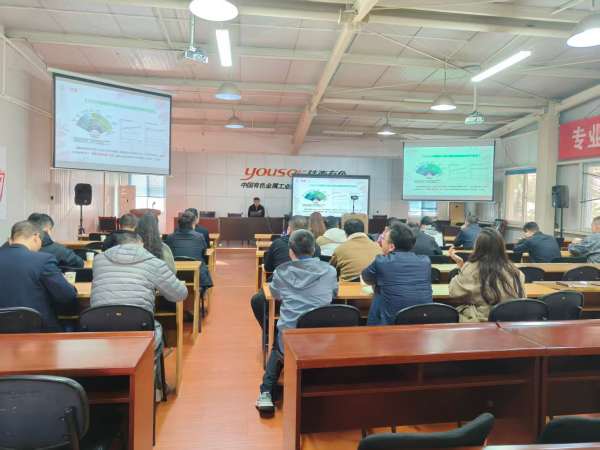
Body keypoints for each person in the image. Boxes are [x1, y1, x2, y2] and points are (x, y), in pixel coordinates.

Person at [91, 231, 188, 397]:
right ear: (140, 243)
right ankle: (155, 389)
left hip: (98, 326)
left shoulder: (98, 260)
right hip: (138, 326)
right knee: (157, 330)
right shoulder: (154, 263)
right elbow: (179, 294)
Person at [255, 229, 338, 415]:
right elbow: (334, 293)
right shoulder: (330, 271)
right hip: (323, 339)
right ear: (314, 249)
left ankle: (266, 393)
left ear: (291, 252)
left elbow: (275, 294)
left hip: (291, 341)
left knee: (278, 345)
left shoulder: (281, 272)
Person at [0, 220, 78, 331]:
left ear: (11, 239)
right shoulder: (43, 260)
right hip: (38, 330)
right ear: (36, 237)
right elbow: (67, 296)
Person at [250, 216, 321, 331]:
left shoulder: (278, 243)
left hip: (282, 289)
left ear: (289, 229)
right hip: (309, 287)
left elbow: (268, 267)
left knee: (257, 301)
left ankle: (270, 332)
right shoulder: (315, 246)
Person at [448, 228, 525, 322]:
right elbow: (522, 296)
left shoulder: (472, 268)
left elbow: (453, 292)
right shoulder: (514, 270)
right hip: (511, 320)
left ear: (477, 246)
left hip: (484, 321)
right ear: (501, 247)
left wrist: (461, 268)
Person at [362, 222, 432, 325]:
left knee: (378, 293)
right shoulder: (425, 261)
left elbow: (366, 278)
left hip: (392, 323)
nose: (380, 242)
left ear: (391, 247)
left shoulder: (382, 261)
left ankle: (373, 330)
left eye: (383, 239)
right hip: (422, 320)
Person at [165, 211, 213, 292]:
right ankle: (201, 292)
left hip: (175, 274)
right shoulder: (199, 237)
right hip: (196, 274)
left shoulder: (170, 237)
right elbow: (204, 251)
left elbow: (168, 254)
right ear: (193, 224)